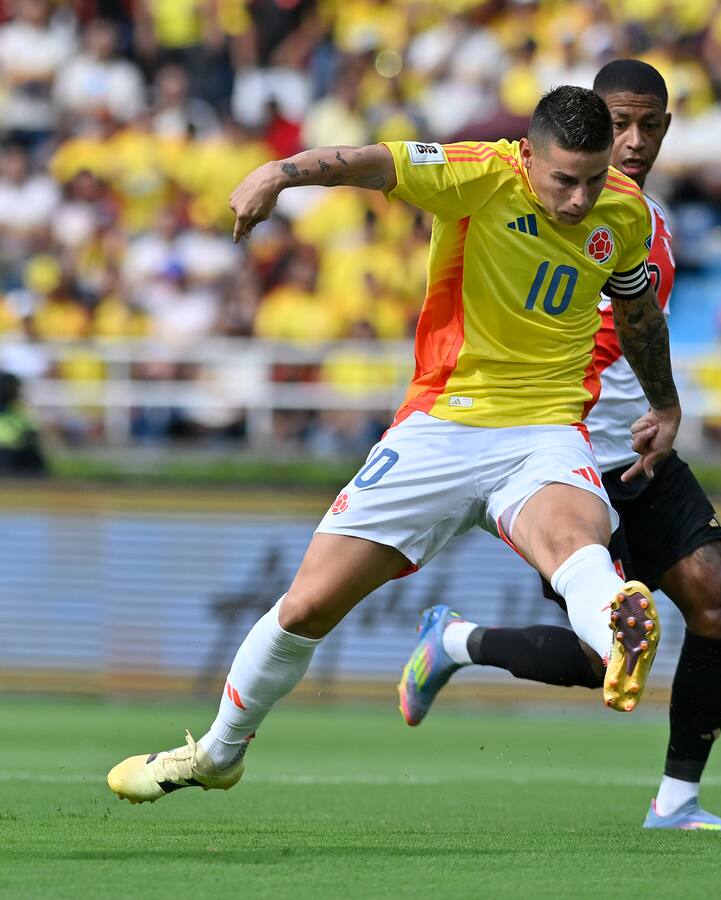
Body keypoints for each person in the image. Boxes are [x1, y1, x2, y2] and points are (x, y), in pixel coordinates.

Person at [106, 85, 682, 804]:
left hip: (544, 432)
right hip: (442, 424)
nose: (578, 200)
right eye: (565, 180)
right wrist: (273, 175)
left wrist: (663, 400)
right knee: (307, 606)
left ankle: (618, 630)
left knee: (576, 549)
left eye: (593, 179)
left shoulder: (622, 211)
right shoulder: (478, 171)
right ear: (529, 155)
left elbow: (637, 316)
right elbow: (367, 162)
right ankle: (219, 754)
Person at [396, 60, 721, 832]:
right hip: (566, 460)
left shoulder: (646, 222)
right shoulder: (548, 208)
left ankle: (678, 804)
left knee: (717, 606)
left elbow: (638, 333)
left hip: (641, 454)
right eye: (617, 123)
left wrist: (664, 403)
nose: (632, 140)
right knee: (604, 661)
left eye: (649, 125)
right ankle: (455, 642)